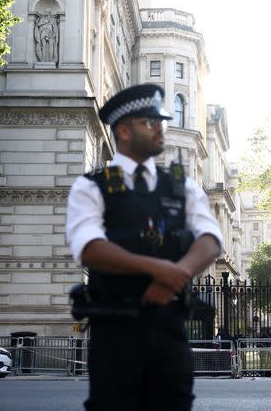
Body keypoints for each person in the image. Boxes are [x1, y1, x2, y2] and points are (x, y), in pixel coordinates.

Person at [66, 84, 222, 411]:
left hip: (169, 331)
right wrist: (159, 269)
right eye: (150, 122)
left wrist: (176, 275)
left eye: (161, 122)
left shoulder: (182, 186)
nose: (160, 129)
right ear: (124, 130)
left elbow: (210, 239)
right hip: (115, 332)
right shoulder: (91, 186)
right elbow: (90, 248)